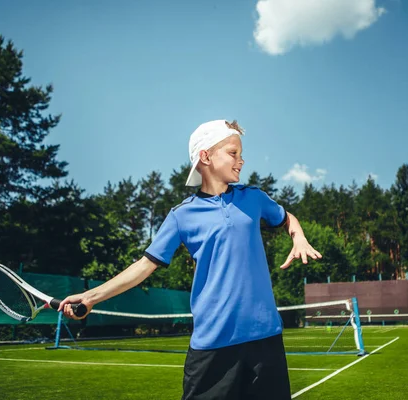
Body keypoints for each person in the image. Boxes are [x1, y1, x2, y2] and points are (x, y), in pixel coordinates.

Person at [59, 119, 322, 400]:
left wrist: (299, 237)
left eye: (241, 154)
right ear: (205, 156)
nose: (241, 161)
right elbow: (144, 266)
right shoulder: (181, 215)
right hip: (213, 346)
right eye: (233, 153)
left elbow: (285, 218)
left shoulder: (254, 198)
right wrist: (90, 297)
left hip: (265, 340)